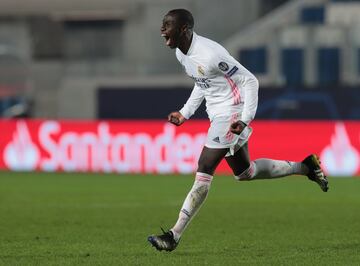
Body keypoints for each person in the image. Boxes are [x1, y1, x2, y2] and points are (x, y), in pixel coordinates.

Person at [148, 8, 328, 252]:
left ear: (183, 29)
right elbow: (202, 83)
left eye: (167, 25)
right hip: (218, 115)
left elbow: (249, 80)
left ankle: (173, 235)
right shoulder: (182, 53)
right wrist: (185, 112)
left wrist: (245, 119)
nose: (162, 30)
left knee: (205, 167)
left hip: (232, 113)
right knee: (244, 172)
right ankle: (306, 166)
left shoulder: (211, 54)